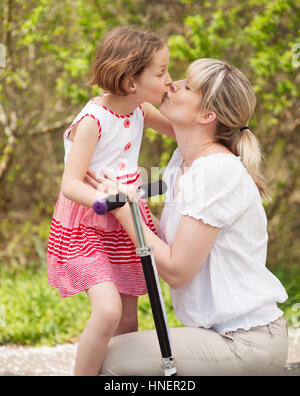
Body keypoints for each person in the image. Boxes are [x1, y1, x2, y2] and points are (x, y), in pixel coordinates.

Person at [90, 58, 289, 376]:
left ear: (207, 115)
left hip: (244, 341)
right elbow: (134, 107)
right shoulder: (183, 158)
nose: (172, 83)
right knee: (110, 346)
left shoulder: (217, 171)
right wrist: (121, 88)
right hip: (217, 335)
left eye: (187, 85)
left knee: (107, 360)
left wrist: (125, 211)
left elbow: (177, 271)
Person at [47, 26, 174, 376]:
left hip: (125, 218)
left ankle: (117, 378)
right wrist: (109, 201)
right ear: (131, 82)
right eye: (162, 73)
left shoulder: (140, 110)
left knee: (128, 319)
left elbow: (184, 129)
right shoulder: (93, 120)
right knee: (107, 311)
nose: (169, 80)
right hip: (89, 220)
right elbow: (71, 184)